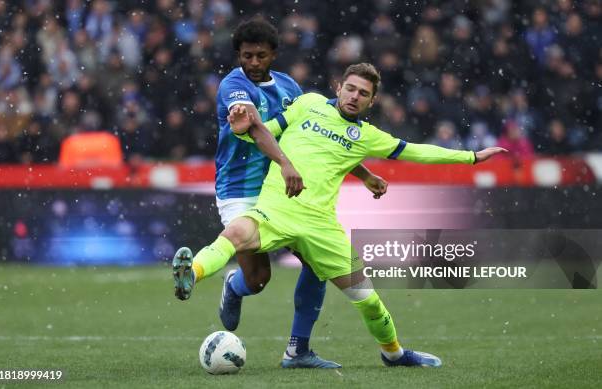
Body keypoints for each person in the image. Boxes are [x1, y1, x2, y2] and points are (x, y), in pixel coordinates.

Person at [173, 62, 507, 367]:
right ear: (338, 87)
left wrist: (472, 158)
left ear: (371, 102)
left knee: (369, 301)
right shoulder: (307, 104)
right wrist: (245, 127)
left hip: (321, 227)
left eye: (363, 93)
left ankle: (393, 353)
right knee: (233, 236)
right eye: (350, 88)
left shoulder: (367, 137)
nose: (354, 96)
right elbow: (267, 129)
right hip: (276, 210)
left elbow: (418, 152)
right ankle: (192, 274)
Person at [178, 18, 386, 369]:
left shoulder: (290, 87)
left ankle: (298, 350)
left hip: (281, 188)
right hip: (240, 189)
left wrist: (362, 173)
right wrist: (287, 163)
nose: (253, 63)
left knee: (317, 265)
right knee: (259, 280)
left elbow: (317, 138)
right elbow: (257, 129)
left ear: (274, 54)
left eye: (260, 55)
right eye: (246, 56)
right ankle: (234, 284)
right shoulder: (234, 86)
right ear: (238, 56)